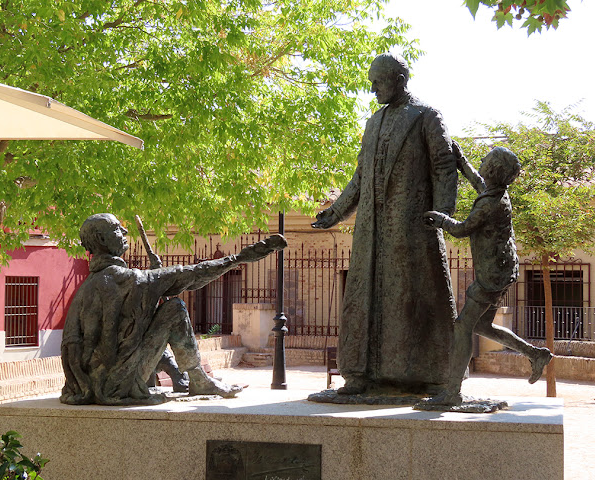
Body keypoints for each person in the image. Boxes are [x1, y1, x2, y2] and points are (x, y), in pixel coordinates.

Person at [312, 53, 458, 395]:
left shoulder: (426, 116)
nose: (373, 88)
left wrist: (443, 212)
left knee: (413, 297)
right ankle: (362, 374)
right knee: (366, 298)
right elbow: (361, 177)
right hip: (372, 228)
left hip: (412, 223)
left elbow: (444, 166)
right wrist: (335, 213)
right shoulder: (373, 122)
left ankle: (431, 375)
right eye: (372, 82)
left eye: (378, 81)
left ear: (399, 79)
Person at [60, 213, 286, 405]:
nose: (125, 231)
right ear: (101, 239)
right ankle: (199, 381)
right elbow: (189, 275)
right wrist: (237, 259)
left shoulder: (89, 286)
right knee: (174, 309)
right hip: (117, 383)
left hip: (94, 383)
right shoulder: (123, 279)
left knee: (154, 316)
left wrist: (156, 285)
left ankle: (188, 378)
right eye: (117, 229)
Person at [423, 146, 552, 405]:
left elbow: (461, 229)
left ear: (493, 169)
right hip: (503, 270)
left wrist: (439, 219)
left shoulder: (490, 204)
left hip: (491, 275)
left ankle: (451, 393)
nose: (481, 162)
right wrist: (461, 161)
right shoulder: (497, 193)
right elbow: (479, 183)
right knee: (481, 325)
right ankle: (535, 354)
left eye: (485, 161)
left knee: (462, 327)